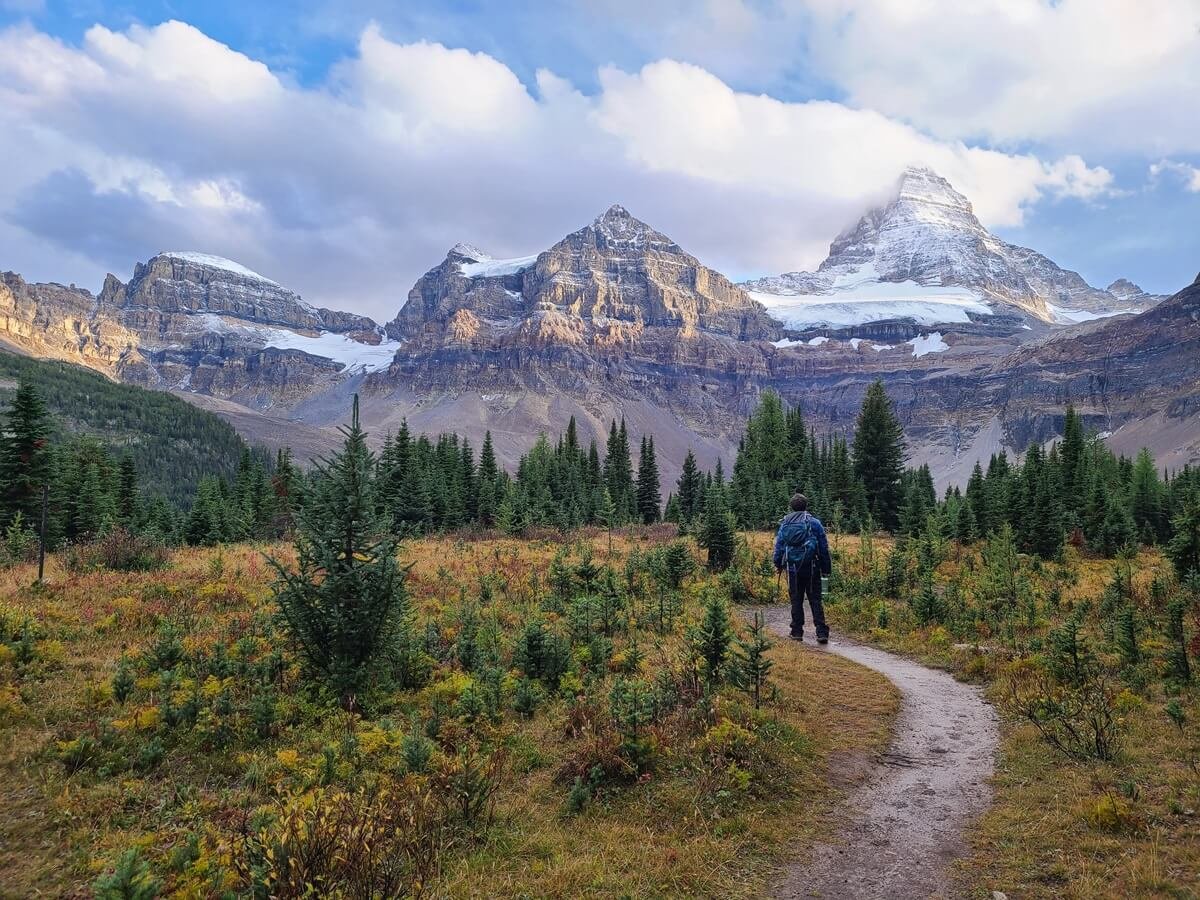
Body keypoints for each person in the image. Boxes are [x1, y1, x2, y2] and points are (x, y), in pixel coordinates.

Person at [773, 493, 832, 643]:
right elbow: (823, 547)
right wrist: (826, 568)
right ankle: (821, 632)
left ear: (792, 507)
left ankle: (797, 631)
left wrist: (778, 564)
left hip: (792, 568)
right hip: (812, 567)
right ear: (806, 505)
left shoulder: (785, 523)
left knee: (796, 599)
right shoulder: (814, 523)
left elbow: (780, 545)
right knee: (815, 599)